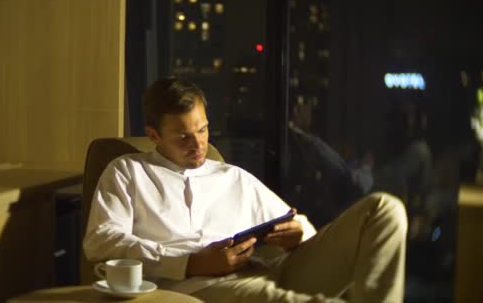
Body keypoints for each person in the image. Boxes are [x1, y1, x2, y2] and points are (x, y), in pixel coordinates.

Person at [83, 77, 407, 302]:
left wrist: (299, 234)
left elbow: (296, 222)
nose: (198, 145)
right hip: (205, 288)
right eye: (183, 137)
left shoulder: (232, 177)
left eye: (203, 129)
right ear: (154, 135)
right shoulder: (129, 172)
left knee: (385, 209)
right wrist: (189, 262)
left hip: (275, 269)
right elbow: (101, 242)